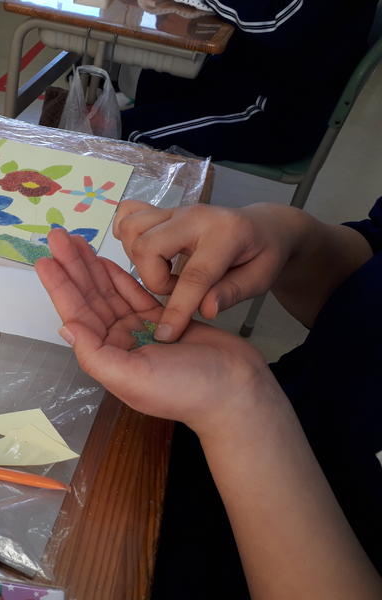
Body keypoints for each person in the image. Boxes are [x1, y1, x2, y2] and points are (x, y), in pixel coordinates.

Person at [35, 197, 382, 599]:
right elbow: (367, 275)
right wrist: (290, 236)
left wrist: (240, 411)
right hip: (214, 437)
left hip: (219, 555)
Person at [120, 1, 378, 162]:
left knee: (123, 132)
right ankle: (159, 190)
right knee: (158, 78)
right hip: (247, 74)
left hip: (276, 115)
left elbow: (272, 19)